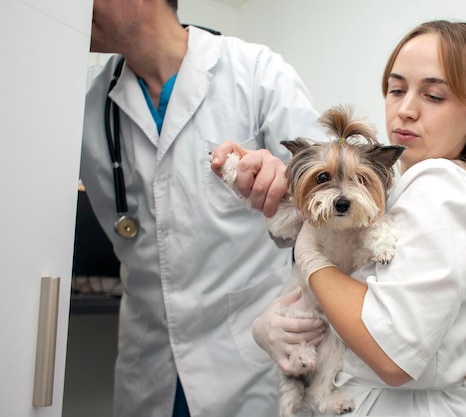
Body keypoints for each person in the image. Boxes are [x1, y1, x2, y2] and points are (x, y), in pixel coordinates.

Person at [254, 20, 466, 417]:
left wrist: (310, 255)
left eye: (433, 95)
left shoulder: (440, 185)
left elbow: (391, 354)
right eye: (396, 89)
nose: (405, 109)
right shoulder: (408, 188)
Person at [80, 0, 327, 416]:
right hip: (149, 360)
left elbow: (330, 198)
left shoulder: (257, 74)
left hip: (246, 362)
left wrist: (285, 182)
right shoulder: (91, 109)